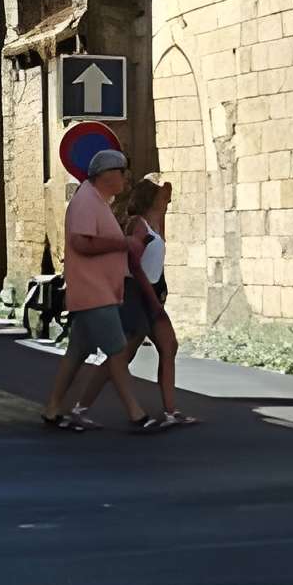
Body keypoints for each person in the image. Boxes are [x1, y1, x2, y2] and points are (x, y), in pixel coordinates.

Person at [38, 148, 153, 434]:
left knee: (77, 352)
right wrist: (124, 243)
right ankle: (136, 413)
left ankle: (53, 408)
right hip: (93, 291)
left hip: (96, 290)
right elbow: (81, 243)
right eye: (122, 172)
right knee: (116, 350)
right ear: (107, 174)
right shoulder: (87, 201)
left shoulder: (96, 200)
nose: (126, 178)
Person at [118, 176, 193, 429]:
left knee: (169, 346)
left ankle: (171, 412)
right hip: (138, 295)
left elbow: (167, 194)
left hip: (152, 294)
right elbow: (133, 264)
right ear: (151, 201)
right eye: (162, 199)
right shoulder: (137, 225)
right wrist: (151, 299)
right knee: (122, 356)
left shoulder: (156, 223)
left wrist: (165, 188)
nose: (168, 202)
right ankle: (80, 402)